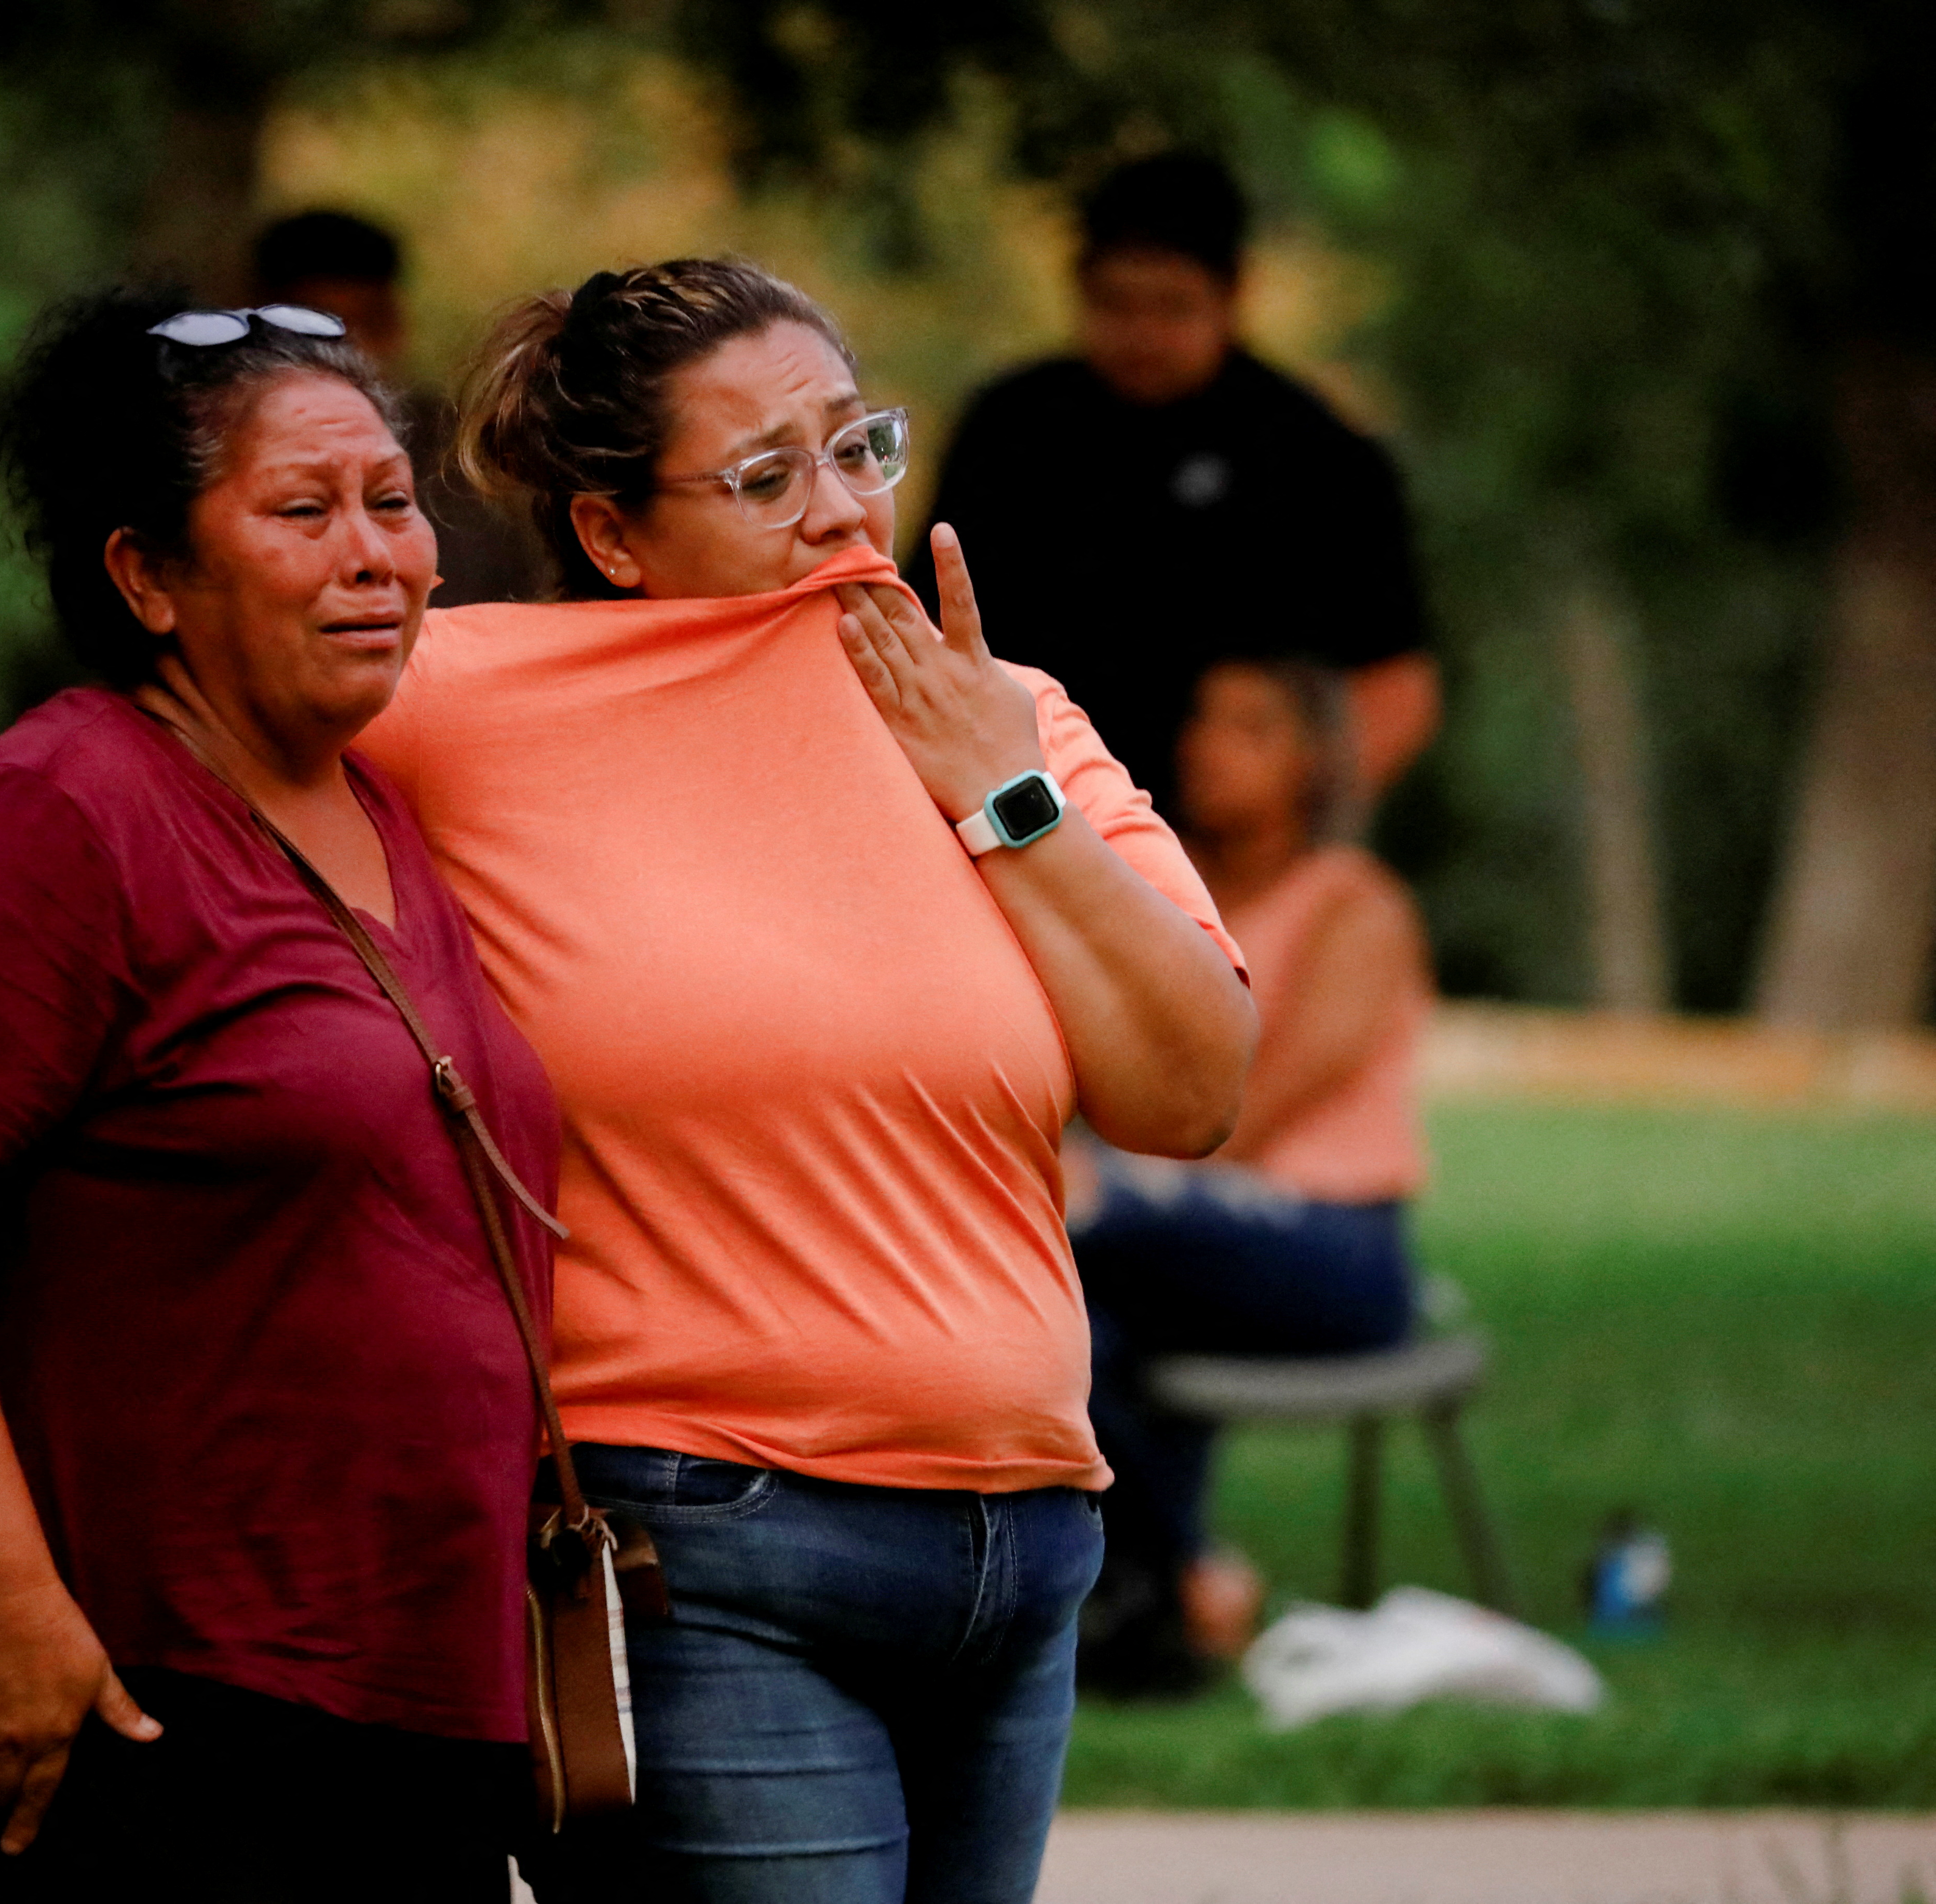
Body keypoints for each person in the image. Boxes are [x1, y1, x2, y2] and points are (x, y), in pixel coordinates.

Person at [356, 258, 1259, 1903]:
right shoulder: (458, 705)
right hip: (707, 1533)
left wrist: (1002, 796)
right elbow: (179, 736)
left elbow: (1190, 1089)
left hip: (1027, 1531)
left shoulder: (1009, 714)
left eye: (859, 446)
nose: (843, 511)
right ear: (614, 534)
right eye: (767, 475)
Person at [0, 291, 559, 1903]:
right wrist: (4, 1605)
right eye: (301, 509)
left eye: (393, 501)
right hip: (154, 1688)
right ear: (146, 576)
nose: (378, 553)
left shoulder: (378, 807)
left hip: (394, 1690)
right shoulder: (62, 809)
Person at [1068, 657, 1434, 1697]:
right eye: (1200, 717)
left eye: (1248, 727)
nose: (1201, 742)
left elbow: (1238, 1107)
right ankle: (1165, 1594)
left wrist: (1109, 1175)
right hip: (1174, 1238)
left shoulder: (1353, 907)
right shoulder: (1156, 885)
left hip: (1336, 1252)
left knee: (1062, 1233)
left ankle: (1177, 1575)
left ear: (1314, 761)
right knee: (1072, 1325)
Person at [905, 151, 1440, 811]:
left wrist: (1292, 837)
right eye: (1118, 305)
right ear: (1081, 286)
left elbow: (1395, 684)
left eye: (1173, 307)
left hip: (1220, 851)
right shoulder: (1011, 427)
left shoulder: (1316, 454)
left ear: (1232, 292)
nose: (1144, 334)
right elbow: (922, 628)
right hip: (1017, 813)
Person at [255, 208, 552, 605]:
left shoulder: (464, 461)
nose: (350, 356)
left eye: (368, 327)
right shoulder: (221, 453)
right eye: (317, 335)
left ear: (396, 324)